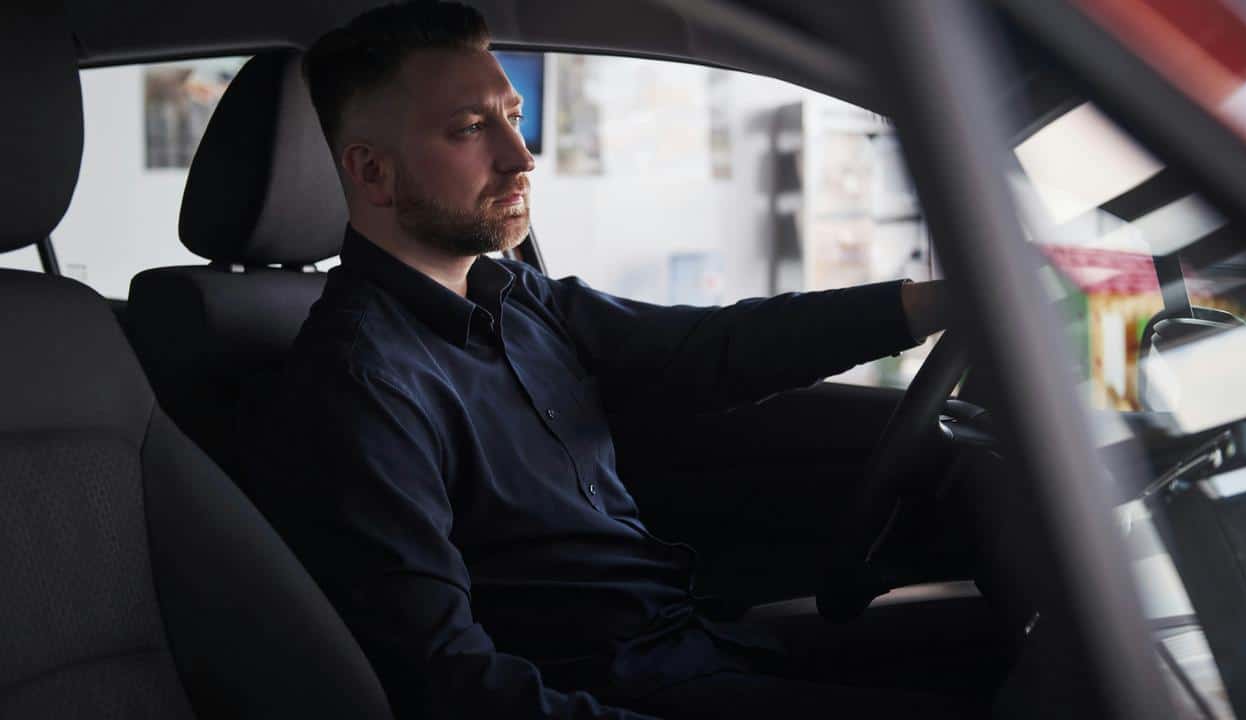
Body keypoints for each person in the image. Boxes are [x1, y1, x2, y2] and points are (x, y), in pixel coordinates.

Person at [237, 2, 991, 718]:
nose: (520, 156)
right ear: (372, 173)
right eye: (471, 129)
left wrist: (919, 308)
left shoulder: (517, 296)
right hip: (620, 691)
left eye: (513, 117)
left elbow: (711, 349)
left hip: (691, 645)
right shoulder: (363, 381)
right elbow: (447, 680)